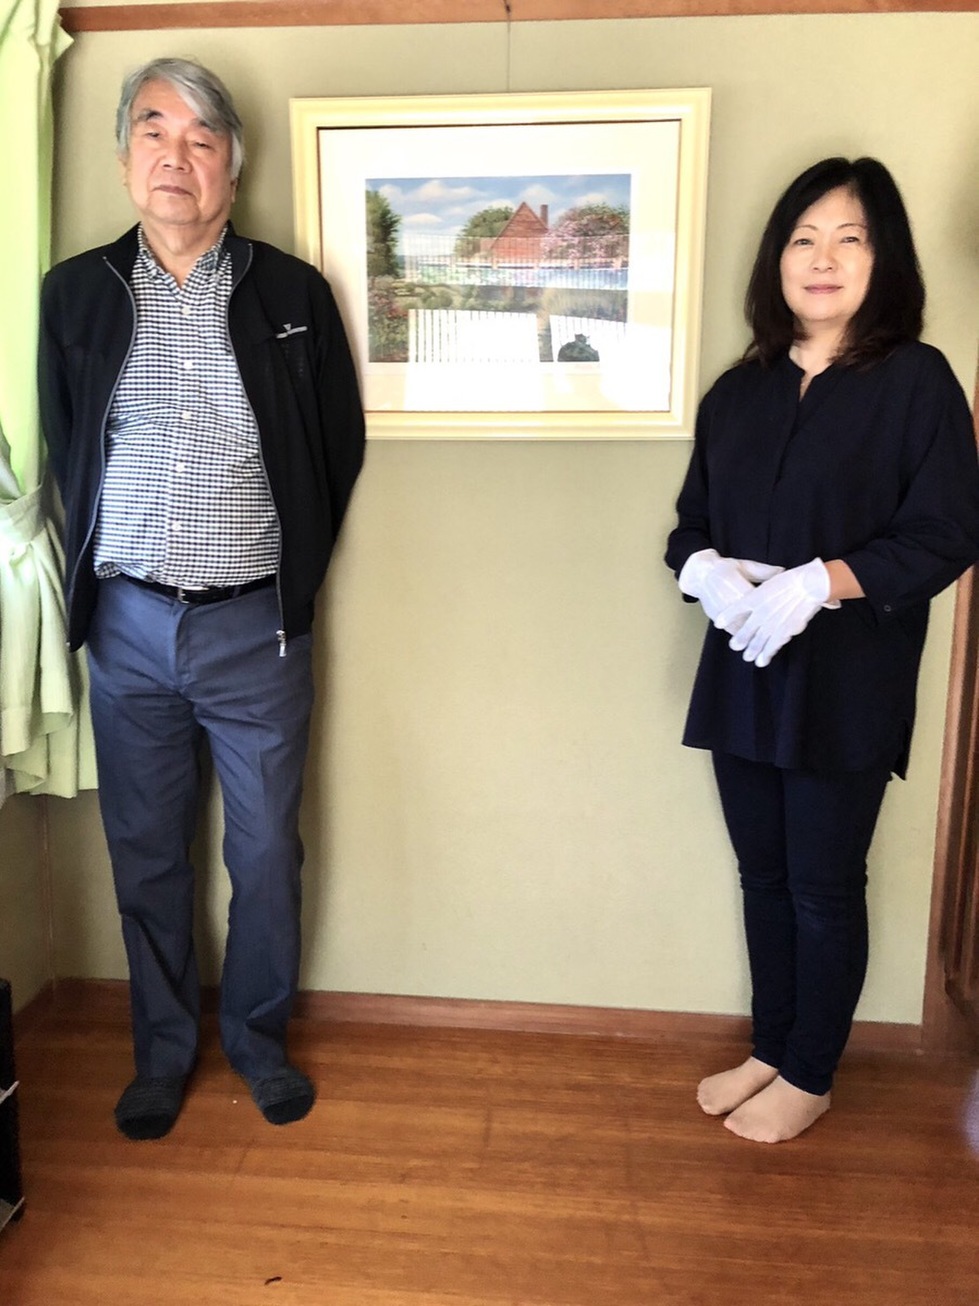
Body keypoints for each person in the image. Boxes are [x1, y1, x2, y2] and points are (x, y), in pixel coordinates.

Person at [38, 58, 365, 1140]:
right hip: (127, 628)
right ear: (124, 157)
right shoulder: (75, 294)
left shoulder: (291, 295)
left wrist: (290, 578)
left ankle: (260, 1045)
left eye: (200, 139)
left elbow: (334, 448)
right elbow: (66, 446)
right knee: (145, 853)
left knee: (265, 853)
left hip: (254, 625)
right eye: (153, 132)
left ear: (232, 165)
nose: (174, 158)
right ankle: (162, 1055)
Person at [665, 157, 979, 1143]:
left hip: (847, 680)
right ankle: (770, 1046)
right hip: (741, 671)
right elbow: (688, 525)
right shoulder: (738, 391)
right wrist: (704, 570)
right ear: (777, 259)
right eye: (803, 238)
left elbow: (945, 535)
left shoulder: (916, 381)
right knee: (761, 877)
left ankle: (809, 1072)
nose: (823, 258)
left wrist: (818, 581)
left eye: (849, 238)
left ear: (883, 260)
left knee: (821, 884)